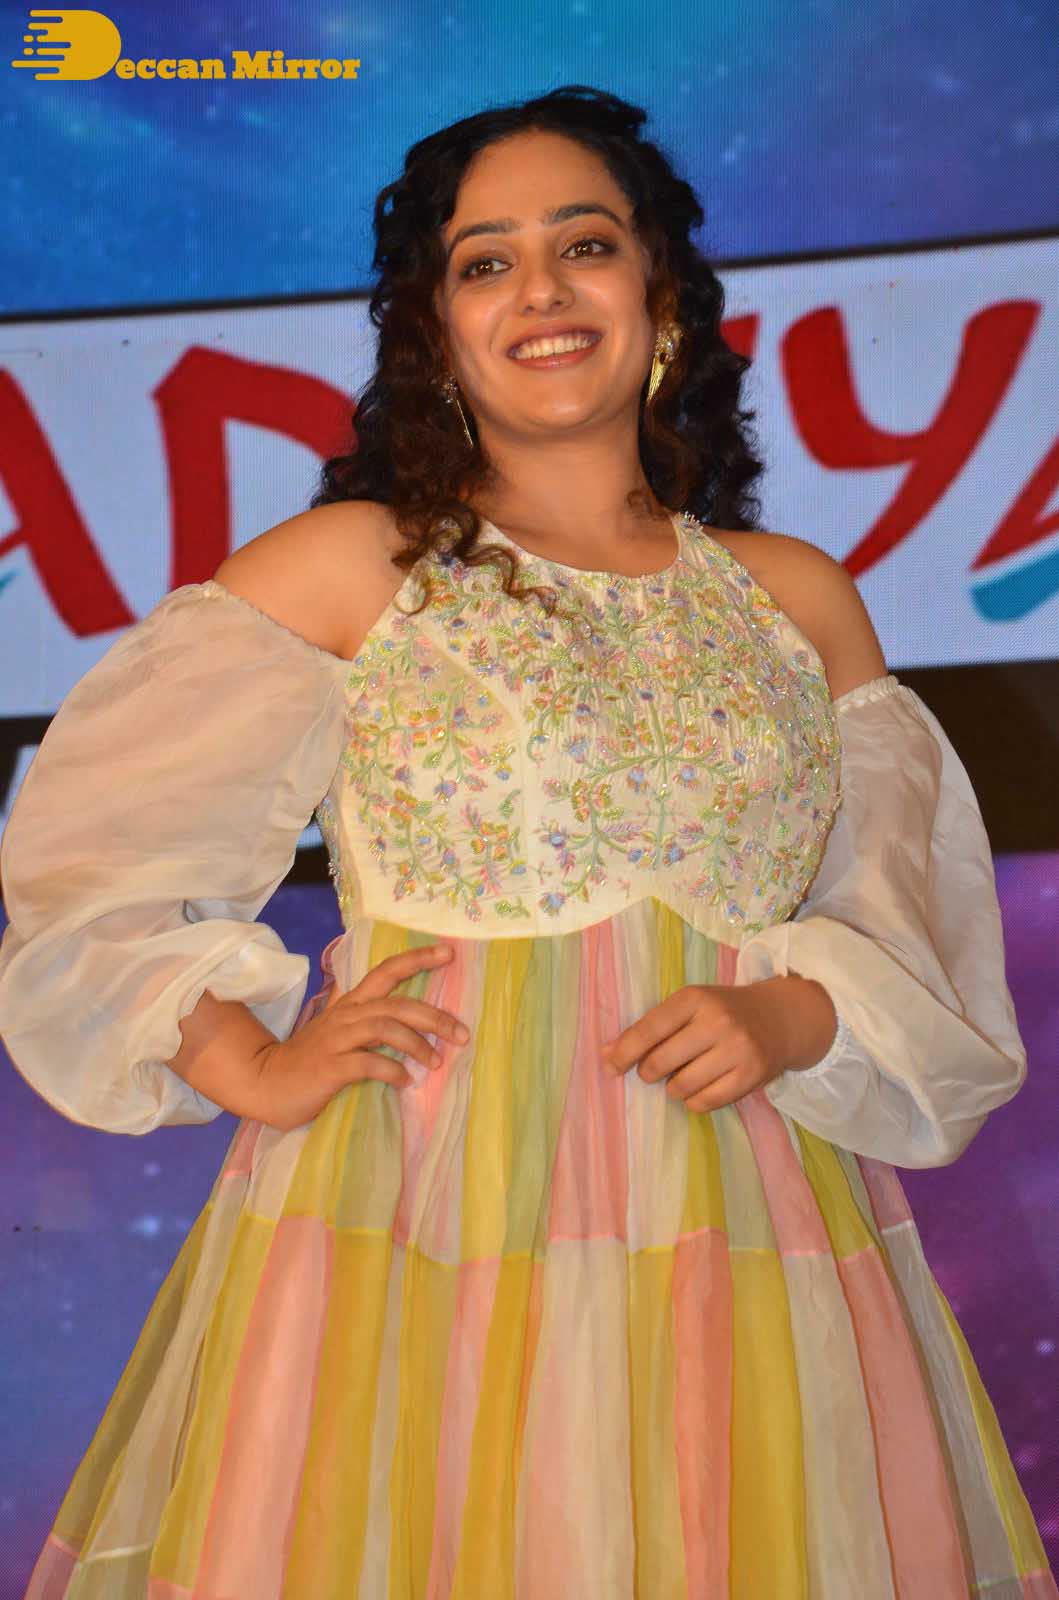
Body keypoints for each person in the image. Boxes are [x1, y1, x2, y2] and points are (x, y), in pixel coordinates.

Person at [0, 84, 1054, 1599]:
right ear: (436, 329)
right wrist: (251, 1062)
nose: (543, 290)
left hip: (738, 1221)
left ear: (661, 295)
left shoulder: (796, 598)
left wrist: (791, 1012)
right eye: (487, 261)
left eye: (586, 245)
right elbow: (93, 864)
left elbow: (910, 936)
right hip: (418, 1211)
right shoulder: (352, 567)